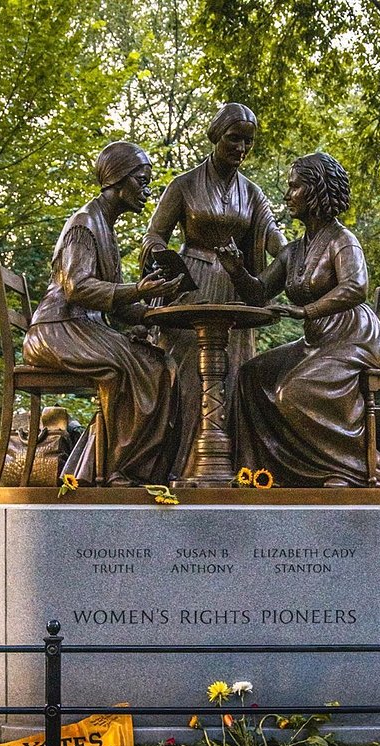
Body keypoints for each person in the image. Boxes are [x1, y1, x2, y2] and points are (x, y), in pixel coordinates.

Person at [216, 152, 380, 487]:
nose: (287, 195)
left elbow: (357, 286)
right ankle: (260, 471)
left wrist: (307, 311)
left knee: (293, 392)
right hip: (317, 341)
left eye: (294, 187)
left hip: (353, 337)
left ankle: (353, 469)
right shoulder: (293, 250)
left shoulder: (343, 240)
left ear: (315, 192)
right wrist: (237, 272)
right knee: (250, 375)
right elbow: (259, 292)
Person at [23, 142, 182, 486]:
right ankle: (114, 468)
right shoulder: (84, 224)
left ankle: (135, 466)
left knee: (159, 363)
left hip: (84, 327)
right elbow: (77, 288)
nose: (147, 190)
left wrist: (160, 309)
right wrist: (141, 291)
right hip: (57, 330)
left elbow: (121, 306)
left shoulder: (105, 229)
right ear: (118, 180)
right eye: (142, 181)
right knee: (123, 367)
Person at [140, 103, 286, 477]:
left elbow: (274, 238)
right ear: (216, 136)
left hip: (234, 288)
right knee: (187, 378)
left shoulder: (252, 194)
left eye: (248, 142)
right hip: (192, 285)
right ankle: (181, 467)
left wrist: (295, 254)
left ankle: (226, 468)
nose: (241, 148)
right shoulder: (184, 185)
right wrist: (158, 253)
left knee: (233, 375)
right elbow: (155, 233)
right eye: (234, 138)